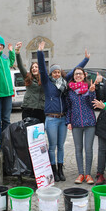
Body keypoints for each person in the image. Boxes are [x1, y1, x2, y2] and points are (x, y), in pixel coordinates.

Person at [38, 41, 90, 182]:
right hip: (51, 119)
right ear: (51, 73)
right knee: (52, 146)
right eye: (54, 72)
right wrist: (40, 52)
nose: (56, 74)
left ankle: (61, 170)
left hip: (62, 119)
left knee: (61, 146)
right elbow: (42, 69)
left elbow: (75, 71)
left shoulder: (64, 82)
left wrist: (86, 59)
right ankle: (53, 170)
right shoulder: (47, 82)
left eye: (58, 72)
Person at [66, 67, 97, 184]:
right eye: (76, 74)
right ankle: (80, 174)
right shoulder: (70, 91)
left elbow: (93, 104)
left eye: (80, 74)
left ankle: (88, 174)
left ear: (84, 76)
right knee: (78, 149)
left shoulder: (90, 88)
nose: (78, 76)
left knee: (88, 149)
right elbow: (68, 108)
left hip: (90, 123)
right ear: (73, 77)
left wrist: (92, 92)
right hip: (76, 123)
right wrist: (68, 121)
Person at [0, 35, 19, 151]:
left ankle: (6, 140)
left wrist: (12, 52)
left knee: (6, 119)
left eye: (1, 45)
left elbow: (11, 62)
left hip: (7, 93)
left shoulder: (5, 57)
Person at [15, 42, 45, 123]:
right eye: (32, 67)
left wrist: (40, 52)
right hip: (28, 108)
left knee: (39, 132)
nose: (34, 68)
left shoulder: (44, 78)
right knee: (26, 131)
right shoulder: (28, 77)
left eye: (36, 67)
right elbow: (20, 66)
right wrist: (17, 52)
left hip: (40, 109)